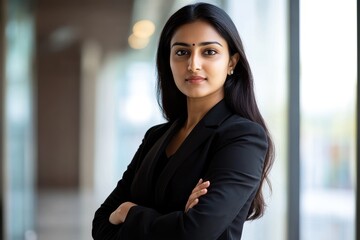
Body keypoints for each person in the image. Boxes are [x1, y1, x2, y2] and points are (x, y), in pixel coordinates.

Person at [92, 2, 274, 240]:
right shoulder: (155, 136)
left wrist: (129, 212)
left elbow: (195, 233)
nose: (193, 65)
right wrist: (177, 219)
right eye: (182, 52)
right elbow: (101, 224)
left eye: (209, 52)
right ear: (167, 61)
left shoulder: (243, 137)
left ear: (232, 62)